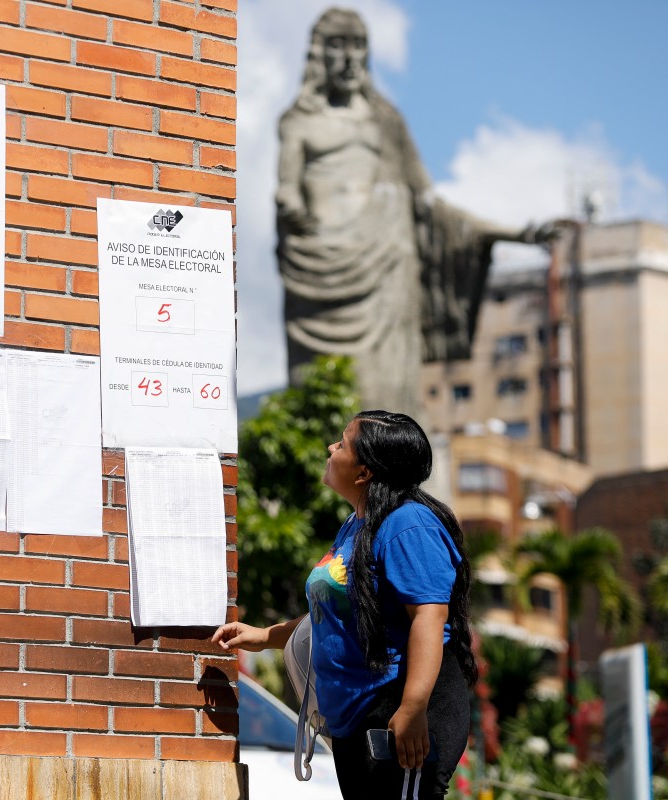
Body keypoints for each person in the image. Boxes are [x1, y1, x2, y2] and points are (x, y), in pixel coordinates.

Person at [277, 8, 554, 418]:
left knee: (382, 405)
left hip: (385, 267)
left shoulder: (385, 121)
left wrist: (517, 233)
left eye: (359, 45)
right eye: (338, 45)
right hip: (317, 274)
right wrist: (292, 209)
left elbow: (429, 202)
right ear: (320, 54)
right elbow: (287, 188)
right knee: (321, 408)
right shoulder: (297, 122)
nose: (350, 57)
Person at [213, 410, 476, 799]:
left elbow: (428, 616)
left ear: (364, 471)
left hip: (401, 706)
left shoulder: (409, 524)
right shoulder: (356, 526)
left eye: (342, 443)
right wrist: (267, 635)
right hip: (357, 716)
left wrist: (413, 707)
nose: (331, 448)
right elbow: (336, 612)